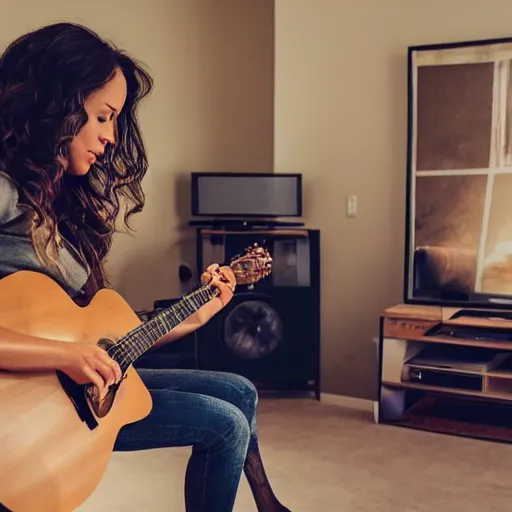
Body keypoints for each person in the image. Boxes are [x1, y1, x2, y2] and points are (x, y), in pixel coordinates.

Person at [0, 22, 290, 512]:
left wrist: (197, 313)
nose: (112, 136)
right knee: (226, 424)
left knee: (239, 391)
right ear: (58, 107)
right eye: (103, 116)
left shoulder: (55, 204)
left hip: (74, 387)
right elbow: (74, 352)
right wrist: (64, 356)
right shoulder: (5, 190)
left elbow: (104, 337)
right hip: (28, 402)